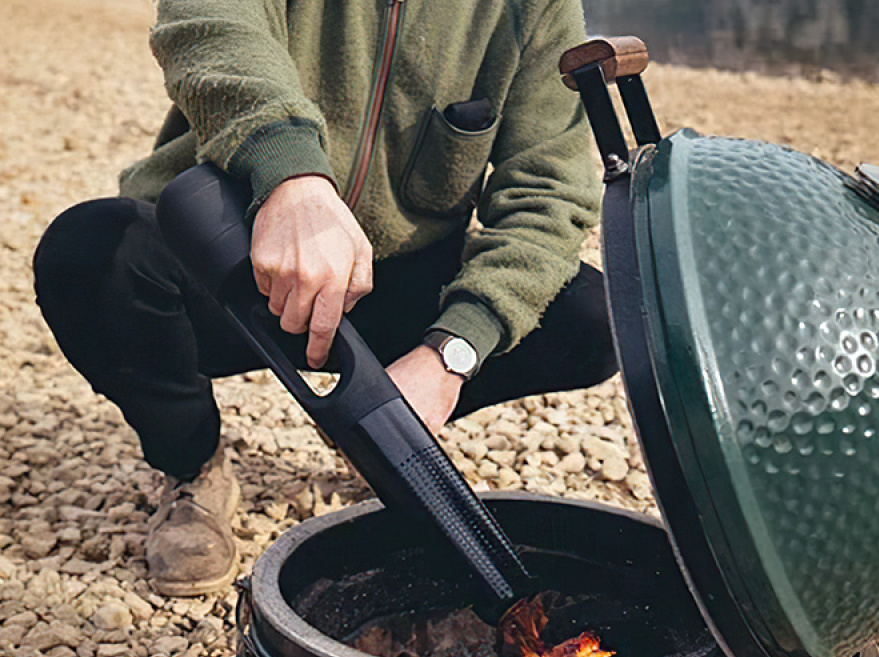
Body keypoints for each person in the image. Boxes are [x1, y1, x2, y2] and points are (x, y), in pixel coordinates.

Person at [33, 0, 618, 598]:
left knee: (595, 318)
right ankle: (192, 465)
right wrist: (291, 176)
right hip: (235, 254)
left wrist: (454, 351)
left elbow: (547, 192)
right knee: (91, 254)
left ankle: (372, 420)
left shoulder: (535, 8)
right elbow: (207, 25)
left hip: (396, 286)